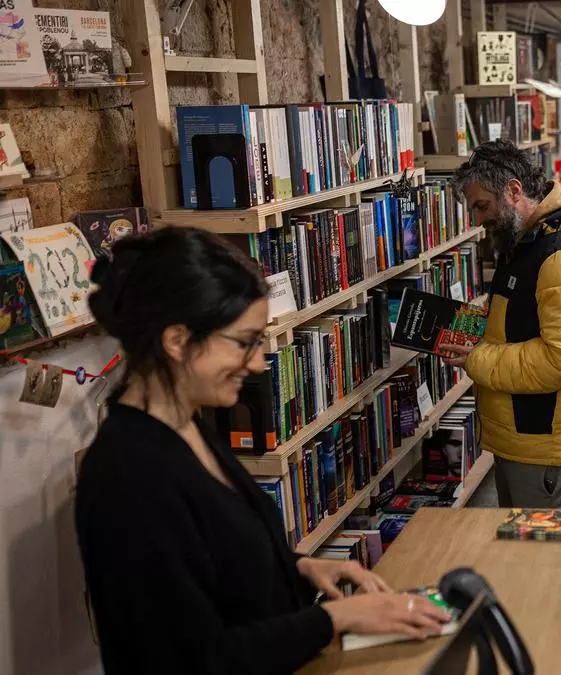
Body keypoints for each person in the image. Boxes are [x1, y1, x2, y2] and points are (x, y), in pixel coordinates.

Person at [75, 228, 450, 675]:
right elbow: (189, 659)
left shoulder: (184, 424)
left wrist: (301, 569)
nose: (257, 363)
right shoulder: (128, 477)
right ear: (177, 341)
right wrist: (335, 619)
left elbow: (215, 564)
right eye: (245, 342)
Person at [443, 140, 561, 508]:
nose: (477, 220)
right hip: (521, 434)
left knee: (537, 544)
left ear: (514, 191)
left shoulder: (559, 255)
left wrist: (478, 358)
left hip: (539, 438)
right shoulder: (526, 243)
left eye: (482, 206)